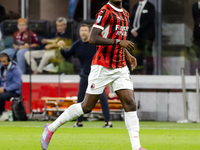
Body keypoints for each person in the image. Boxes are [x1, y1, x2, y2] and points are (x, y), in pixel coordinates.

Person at [40, 0, 146, 150]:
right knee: (87, 106)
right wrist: (118, 42)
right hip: (102, 66)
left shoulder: (126, 14)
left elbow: (119, 40)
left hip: (120, 66)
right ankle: (51, 128)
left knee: (130, 103)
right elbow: (93, 38)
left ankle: (137, 147)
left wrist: (127, 54)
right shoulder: (106, 11)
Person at [58, 24, 112, 128]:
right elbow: (67, 55)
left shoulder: (95, 44)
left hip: (97, 76)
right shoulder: (77, 44)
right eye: (81, 30)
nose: (83, 32)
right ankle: (79, 122)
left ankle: (108, 122)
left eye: (85, 30)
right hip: (84, 75)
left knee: (103, 99)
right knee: (80, 99)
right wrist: (61, 48)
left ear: (89, 32)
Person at [130, 0, 155, 74]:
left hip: (146, 36)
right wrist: (132, 30)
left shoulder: (150, 6)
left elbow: (149, 21)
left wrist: (138, 31)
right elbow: (131, 20)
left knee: (147, 55)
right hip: (134, 36)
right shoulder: (135, 6)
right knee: (135, 55)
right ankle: (136, 72)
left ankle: (149, 73)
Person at [0, 53, 22, 121]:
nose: (3, 63)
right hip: (3, 90)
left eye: (4, 61)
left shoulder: (16, 70)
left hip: (14, 92)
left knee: (1, 97)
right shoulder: (1, 68)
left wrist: (5, 89)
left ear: (9, 60)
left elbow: (17, 84)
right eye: (1, 62)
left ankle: (2, 112)